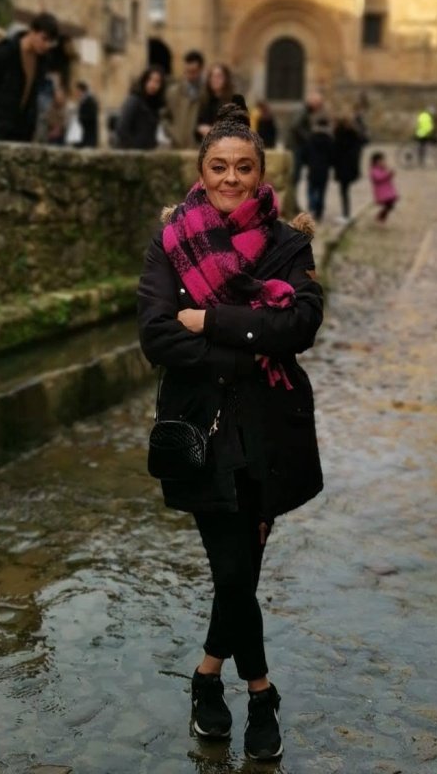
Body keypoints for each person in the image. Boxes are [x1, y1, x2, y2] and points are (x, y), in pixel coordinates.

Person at [136, 102, 323, 763]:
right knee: (235, 568)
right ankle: (261, 692)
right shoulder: (172, 242)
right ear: (201, 170)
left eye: (244, 168)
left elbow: (301, 324)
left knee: (240, 572)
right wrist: (249, 345)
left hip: (271, 432)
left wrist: (211, 322)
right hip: (205, 432)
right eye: (219, 167)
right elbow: (157, 336)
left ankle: (207, 674)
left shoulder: (287, 244)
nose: (231, 179)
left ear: (261, 173)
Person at [0, 12, 59, 142]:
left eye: (50, 42)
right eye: (44, 39)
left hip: (21, 136)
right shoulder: (4, 52)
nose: (46, 45)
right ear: (32, 32)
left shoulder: (41, 62)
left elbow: (32, 98)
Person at [116, 66, 167, 149]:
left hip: (148, 152)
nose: (153, 85)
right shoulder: (134, 100)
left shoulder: (156, 105)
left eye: (157, 82)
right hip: (132, 152)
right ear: (144, 81)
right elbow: (122, 128)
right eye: (150, 80)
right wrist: (132, 149)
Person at [164, 50, 205, 149]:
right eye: (187, 71)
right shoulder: (173, 92)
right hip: (176, 147)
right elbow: (165, 116)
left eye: (193, 72)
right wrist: (171, 133)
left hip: (199, 148)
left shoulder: (207, 94)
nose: (189, 75)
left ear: (201, 70)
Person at [332, 113, 365, 221]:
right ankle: (346, 213)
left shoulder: (340, 135)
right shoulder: (355, 135)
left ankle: (345, 214)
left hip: (343, 168)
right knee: (345, 191)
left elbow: (335, 152)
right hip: (350, 167)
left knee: (344, 191)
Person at [304, 113, 335, 222]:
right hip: (324, 168)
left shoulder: (311, 137)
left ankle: (312, 204)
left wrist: (307, 162)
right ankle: (319, 212)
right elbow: (332, 155)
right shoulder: (329, 139)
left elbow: (306, 152)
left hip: (312, 167)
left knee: (311, 188)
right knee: (321, 191)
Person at [195, 63, 236, 141]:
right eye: (212, 76)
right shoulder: (204, 101)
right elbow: (197, 124)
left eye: (219, 76)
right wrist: (200, 128)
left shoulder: (233, 102)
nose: (215, 80)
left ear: (226, 79)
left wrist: (213, 131)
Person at [369, 151, 399, 224]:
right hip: (381, 191)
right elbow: (378, 178)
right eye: (380, 161)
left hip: (388, 190)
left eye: (383, 160)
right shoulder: (374, 170)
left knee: (391, 204)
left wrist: (391, 174)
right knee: (389, 204)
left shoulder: (383, 169)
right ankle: (381, 216)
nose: (383, 162)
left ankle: (381, 216)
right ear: (375, 162)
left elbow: (388, 177)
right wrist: (388, 174)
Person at [74, 80, 99, 147]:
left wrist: (79, 118)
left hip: (89, 137)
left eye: (77, 91)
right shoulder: (84, 100)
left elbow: (90, 117)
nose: (76, 94)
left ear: (80, 90)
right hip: (84, 136)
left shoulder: (90, 101)